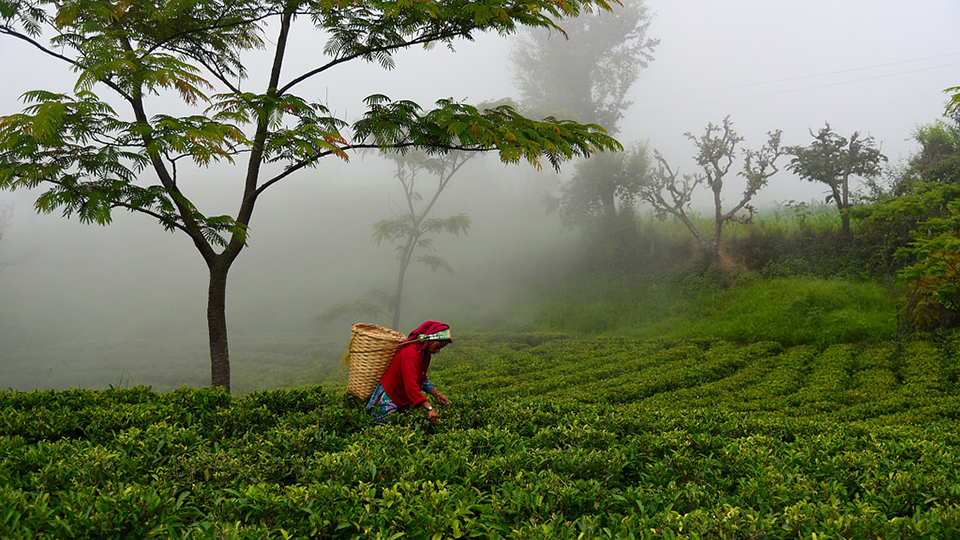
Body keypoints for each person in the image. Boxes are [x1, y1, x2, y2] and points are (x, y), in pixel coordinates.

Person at [366, 320, 453, 425]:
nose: (438, 350)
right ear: (429, 339)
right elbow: (411, 385)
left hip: (401, 398)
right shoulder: (411, 353)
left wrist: (438, 394)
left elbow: (422, 379)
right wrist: (429, 408)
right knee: (379, 428)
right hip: (389, 397)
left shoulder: (424, 353)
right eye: (438, 346)